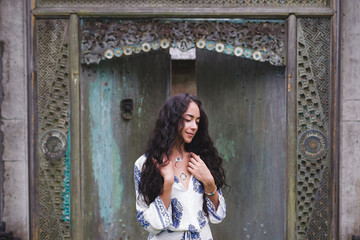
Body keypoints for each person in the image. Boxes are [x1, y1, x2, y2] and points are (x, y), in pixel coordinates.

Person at [134, 93, 227, 240]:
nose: (194, 126)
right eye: (188, 120)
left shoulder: (202, 159)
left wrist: (209, 182)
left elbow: (218, 216)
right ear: (172, 120)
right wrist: (168, 183)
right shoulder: (146, 164)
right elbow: (147, 221)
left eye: (197, 121)